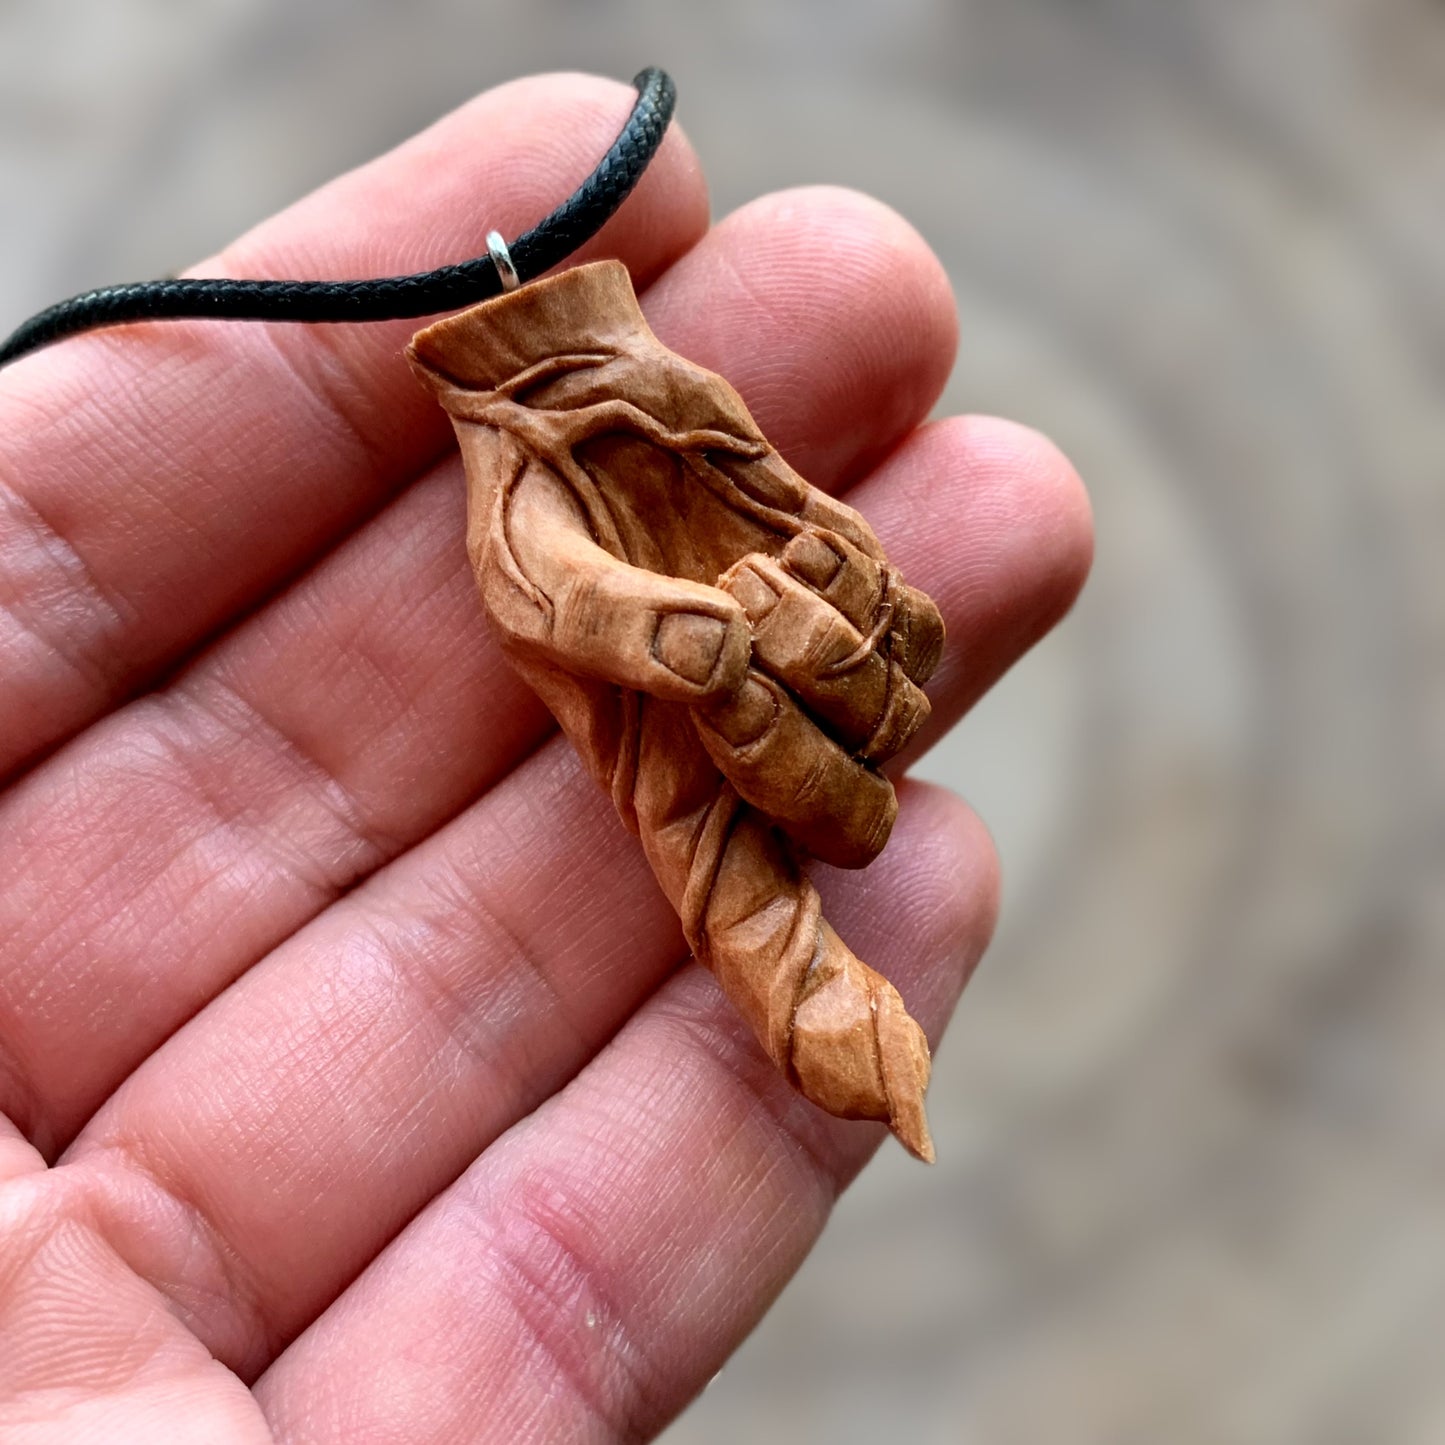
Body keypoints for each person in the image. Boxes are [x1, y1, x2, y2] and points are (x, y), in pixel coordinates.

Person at [0, 73, 1092, 1442]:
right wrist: (587, 508)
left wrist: (622, 408)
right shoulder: (530, 493)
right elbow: (558, 580)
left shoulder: (643, 417)